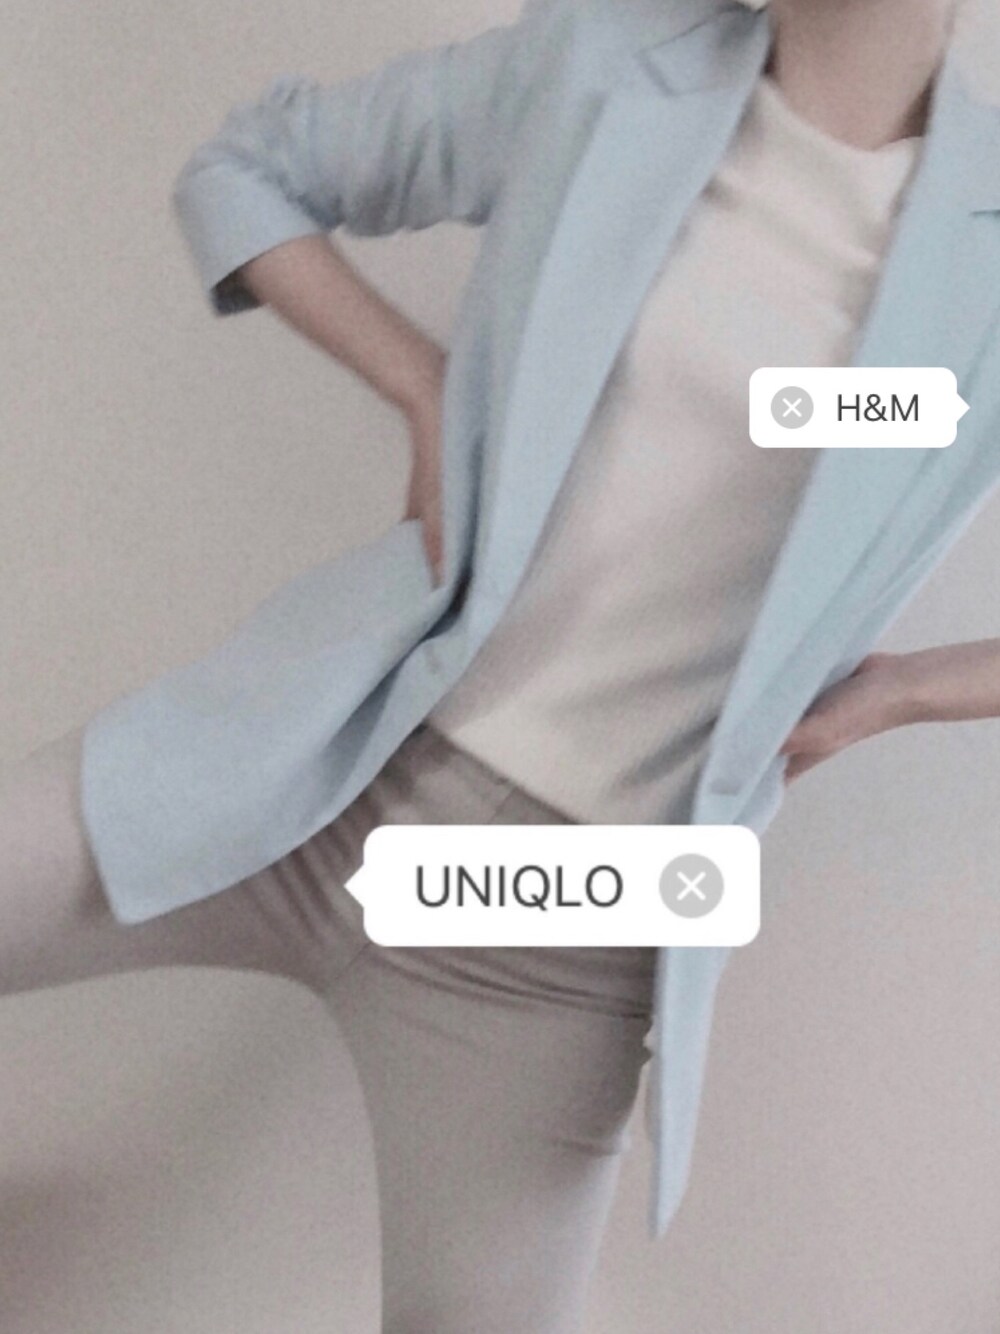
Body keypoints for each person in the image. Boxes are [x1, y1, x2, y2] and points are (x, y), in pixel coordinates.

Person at [3, 0, 999, 1329]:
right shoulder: (598, 64)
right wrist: (421, 383)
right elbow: (246, 171)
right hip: (308, 779)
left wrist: (907, 691)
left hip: (561, 949)